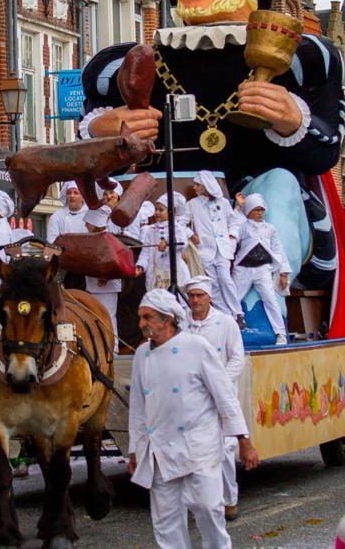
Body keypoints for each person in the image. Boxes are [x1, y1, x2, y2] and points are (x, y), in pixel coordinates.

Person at [79, 0, 343, 295]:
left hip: (251, 210)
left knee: (280, 187)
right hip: (162, 213)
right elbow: (88, 147)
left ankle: (259, 312)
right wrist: (102, 130)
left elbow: (327, 150)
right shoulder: (133, 63)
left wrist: (291, 119)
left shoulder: (302, 57)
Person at [128, 289, 259, 549]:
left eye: (147, 317)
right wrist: (135, 449)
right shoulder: (141, 355)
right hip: (160, 449)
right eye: (140, 317)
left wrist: (243, 440)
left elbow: (224, 396)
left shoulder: (196, 347)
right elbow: (138, 408)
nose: (142, 323)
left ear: (167, 319)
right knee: (166, 521)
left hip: (199, 445)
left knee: (208, 508)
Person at [184, 276, 245, 521]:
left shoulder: (225, 323)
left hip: (221, 396)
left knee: (226, 448)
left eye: (200, 295)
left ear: (209, 297)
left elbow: (237, 358)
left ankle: (229, 500)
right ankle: (201, 501)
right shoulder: (182, 325)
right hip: (191, 398)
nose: (195, 300)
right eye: (192, 296)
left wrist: (220, 385)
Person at [233, 193, 291, 345]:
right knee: (233, 298)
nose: (259, 213)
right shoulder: (243, 225)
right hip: (244, 268)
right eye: (256, 210)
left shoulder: (270, 228)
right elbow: (233, 227)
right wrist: (238, 206)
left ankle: (281, 333)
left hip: (262, 268)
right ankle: (229, 329)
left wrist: (283, 273)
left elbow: (279, 250)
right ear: (249, 211)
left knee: (270, 299)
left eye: (261, 210)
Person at [188, 171, 243, 324]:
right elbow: (180, 222)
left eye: (197, 185)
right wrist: (191, 234)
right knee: (213, 284)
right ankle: (226, 315)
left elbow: (234, 222)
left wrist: (232, 236)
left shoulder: (223, 202)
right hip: (205, 249)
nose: (194, 188)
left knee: (226, 279)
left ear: (205, 186)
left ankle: (237, 312)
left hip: (223, 248)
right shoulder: (192, 204)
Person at [83, 206, 121, 348]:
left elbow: (114, 262)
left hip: (107, 287)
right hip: (93, 286)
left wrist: (105, 276)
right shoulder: (91, 238)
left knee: (108, 316)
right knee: (95, 317)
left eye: (88, 222)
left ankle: (113, 348)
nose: (85, 224)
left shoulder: (110, 239)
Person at [135, 195, 189, 292]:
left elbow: (182, 242)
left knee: (177, 300)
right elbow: (146, 252)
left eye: (161, 210)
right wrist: (141, 266)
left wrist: (167, 241)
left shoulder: (177, 228)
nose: (157, 213)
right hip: (156, 274)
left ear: (170, 211)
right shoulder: (151, 229)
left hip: (173, 272)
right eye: (156, 209)